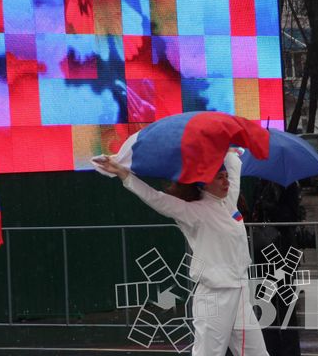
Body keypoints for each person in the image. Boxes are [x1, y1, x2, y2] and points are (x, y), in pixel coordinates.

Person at [96, 151, 268, 356]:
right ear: (204, 183)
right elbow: (157, 199)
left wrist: (225, 148)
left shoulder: (229, 201)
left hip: (240, 291)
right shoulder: (193, 211)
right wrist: (125, 175)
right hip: (215, 295)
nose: (225, 181)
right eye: (219, 178)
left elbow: (234, 168)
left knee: (257, 353)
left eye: (225, 177)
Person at [250, 180, 302, 356]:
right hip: (263, 254)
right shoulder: (259, 186)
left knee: (286, 304)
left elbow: (291, 217)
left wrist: (270, 207)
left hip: (284, 253)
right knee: (265, 304)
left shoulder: (289, 186)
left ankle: (290, 350)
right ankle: (270, 348)